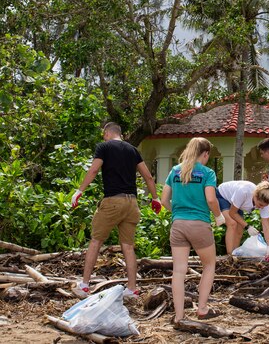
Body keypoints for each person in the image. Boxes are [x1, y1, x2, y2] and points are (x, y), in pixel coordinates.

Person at [70, 122, 161, 299]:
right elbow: (148, 176)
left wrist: (79, 190)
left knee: (95, 241)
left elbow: (95, 169)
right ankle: (132, 289)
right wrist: (155, 198)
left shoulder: (104, 147)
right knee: (128, 246)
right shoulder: (133, 150)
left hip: (113, 201)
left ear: (107, 133)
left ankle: (84, 285)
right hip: (132, 203)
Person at [161, 137, 226, 324]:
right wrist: (218, 216)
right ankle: (202, 308)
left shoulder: (175, 171)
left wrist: (179, 213)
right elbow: (211, 200)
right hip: (199, 224)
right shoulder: (207, 173)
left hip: (178, 225)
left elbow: (164, 200)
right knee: (209, 265)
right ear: (205, 154)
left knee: (179, 271)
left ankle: (179, 316)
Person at [216, 180, 269, 260]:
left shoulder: (264, 203)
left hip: (236, 202)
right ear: (255, 195)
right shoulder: (244, 192)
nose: (261, 208)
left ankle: (235, 253)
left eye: (264, 206)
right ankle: (230, 256)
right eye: (260, 205)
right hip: (223, 195)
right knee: (232, 223)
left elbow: (266, 225)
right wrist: (248, 227)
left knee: (240, 229)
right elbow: (232, 213)